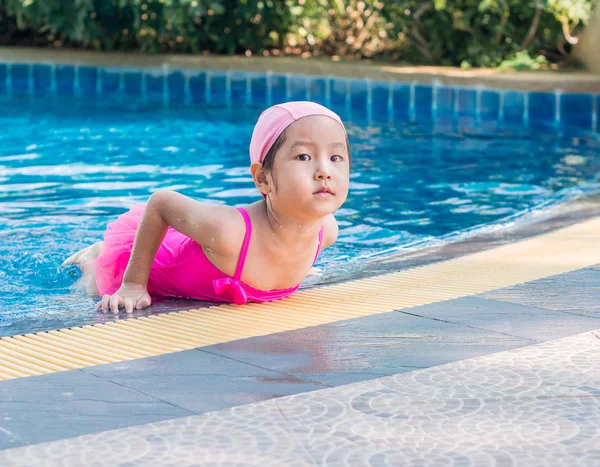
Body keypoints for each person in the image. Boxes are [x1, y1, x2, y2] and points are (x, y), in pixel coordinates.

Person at [62, 101, 351, 314]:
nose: (324, 170)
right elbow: (161, 202)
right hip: (146, 261)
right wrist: (134, 284)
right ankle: (93, 257)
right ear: (263, 178)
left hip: (202, 256)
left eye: (336, 157)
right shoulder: (230, 233)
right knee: (94, 284)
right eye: (303, 156)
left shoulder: (325, 232)